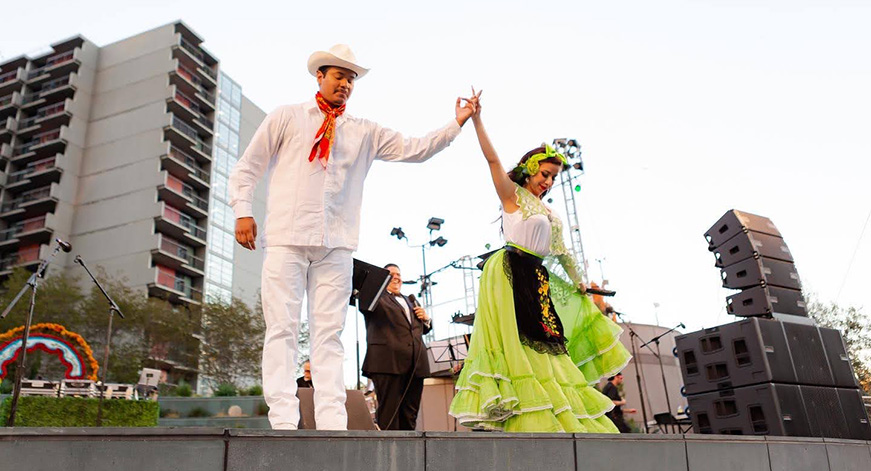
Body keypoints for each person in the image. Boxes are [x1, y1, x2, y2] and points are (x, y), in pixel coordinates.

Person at [229, 44, 476, 430]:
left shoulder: (363, 131)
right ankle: (282, 422)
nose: (345, 83)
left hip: (337, 246)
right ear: (320, 77)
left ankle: (332, 424)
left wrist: (455, 123)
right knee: (282, 328)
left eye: (351, 78)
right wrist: (242, 210)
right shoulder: (286, 117)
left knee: (329, 335)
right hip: (287, 239)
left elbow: (416, 149)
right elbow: (247, 167)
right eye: (338, 75)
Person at [449, 90, 631, 432]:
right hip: (508, 271)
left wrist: (580, 283)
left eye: (553, 177)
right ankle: (522, 410)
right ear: (531, 171)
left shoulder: (550, 212)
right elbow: (492, 160)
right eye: (544, 174)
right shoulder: (512, 196)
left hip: (537, 276)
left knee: (548, 340)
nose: (547, 182)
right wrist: (476, 119)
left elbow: (563, 253)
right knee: (517, 341)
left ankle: (552, 413)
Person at [361, 264, 431, 430]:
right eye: (391, 274)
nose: (396, 277)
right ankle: (389, 452)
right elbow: (364, 303)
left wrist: (426, 319)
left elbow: (423, 329)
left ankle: (408, 451)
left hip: (415, 365)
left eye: (399, 274)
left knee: (410, 413)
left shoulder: (411, 300)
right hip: (388, 363)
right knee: (389, 413)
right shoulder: (377, 298)